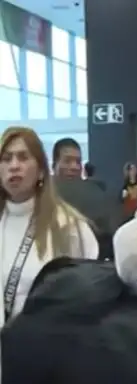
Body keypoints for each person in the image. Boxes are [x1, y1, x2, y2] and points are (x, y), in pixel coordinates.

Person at [0, 126, 99, 326]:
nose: (14, 166)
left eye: (23, 157)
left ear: (41, 171)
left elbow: (91, 295)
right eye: (6, 158)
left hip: (48, 348)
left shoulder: (69, 227)